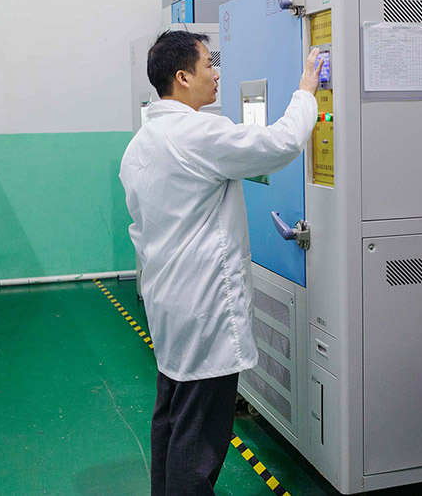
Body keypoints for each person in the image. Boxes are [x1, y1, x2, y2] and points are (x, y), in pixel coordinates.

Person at [119, 29, 321, 495]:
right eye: (209, 64)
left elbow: (141, 231)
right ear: (182, 76)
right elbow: (279, 144)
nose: (216, 74)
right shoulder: (196, 134)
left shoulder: (140, 146)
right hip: (204, 311)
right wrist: (306, 92)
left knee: (172, 418)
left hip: (169, 305)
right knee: (199, 439)